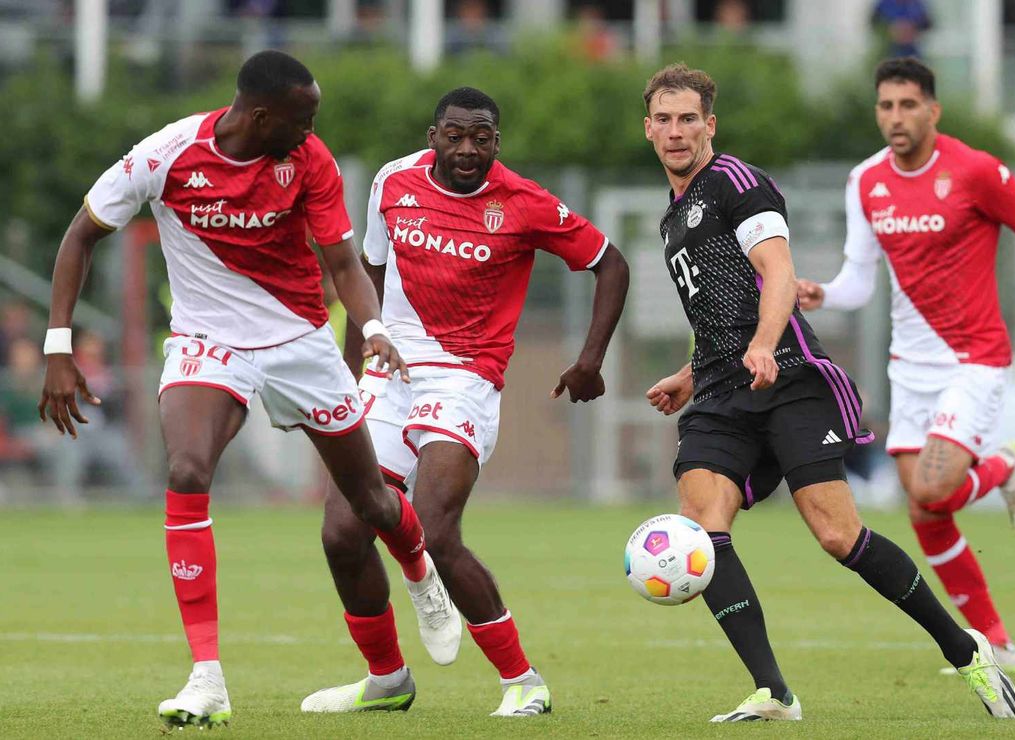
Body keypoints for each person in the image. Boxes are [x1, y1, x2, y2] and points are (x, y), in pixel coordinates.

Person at [38, 50, 437, 728]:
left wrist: (371, 327)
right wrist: (58, 346)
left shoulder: (309, 160)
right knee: (188, 468)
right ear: (260, 116)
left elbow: (342, 261)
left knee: (369, 499)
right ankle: (206, 678)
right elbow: (81, 235)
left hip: (300, 344)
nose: (312, 129)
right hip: (207, 343)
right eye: (302, 117)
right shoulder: (168, 153)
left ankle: (422, 572)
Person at [642, 63, 1015, 722]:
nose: (676, 132)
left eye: (688, 119)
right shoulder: (672, 219)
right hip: (722, 392)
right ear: (648, 128)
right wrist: (689, 371)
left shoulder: (737, 182)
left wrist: (763, 345)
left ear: (710, 125)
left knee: (837, 535)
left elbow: (778, 274)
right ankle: (774, 692)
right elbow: (715, 313)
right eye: (664, 120)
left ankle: (967, 651)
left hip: (786, 377)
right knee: (703, 529)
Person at [301, 86, 629, 717]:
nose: (467, 149)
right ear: (434, 137)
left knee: (438, 528)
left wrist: (590, 359)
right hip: (389, 371)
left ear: (496, 142)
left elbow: (610, 264)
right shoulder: (393, 182)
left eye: (481, 137)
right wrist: (348, 373)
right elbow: (365, 274)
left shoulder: (524, 202)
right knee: (342, 531)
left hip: (465, 378)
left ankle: (524, 682)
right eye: (455, 135)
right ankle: (387, 679)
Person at [796, 57, 1015, 675]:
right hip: (909, 366)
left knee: (933, 488)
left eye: (908, 105)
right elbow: (859, 282)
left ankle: (1001, 466)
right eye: (886, 106)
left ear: (932, 110)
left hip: (974, 357)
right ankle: (996, 642)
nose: (896, 117)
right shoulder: (865, 181)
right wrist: (824, 294)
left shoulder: (972, 170)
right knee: (924, 511)